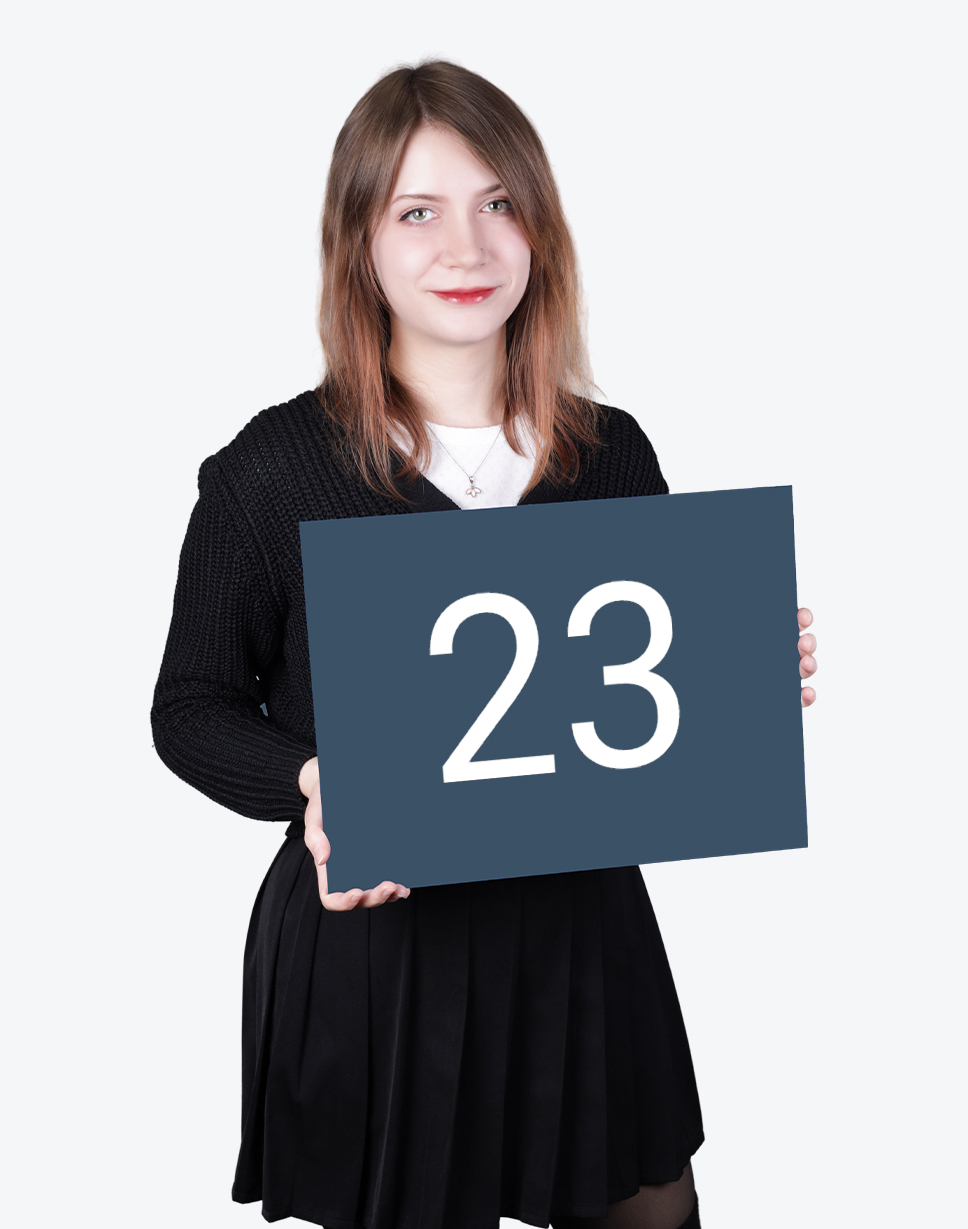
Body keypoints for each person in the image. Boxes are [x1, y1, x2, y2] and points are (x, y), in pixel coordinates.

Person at [151, 59, 818, 1229]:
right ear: (357, 241)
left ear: (538, 229)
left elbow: (631, 705)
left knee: (650, 1207)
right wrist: (313, 776)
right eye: (417, 211)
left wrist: (734, 676)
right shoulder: (271, 469)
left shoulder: (609, 453)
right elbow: (190, 704)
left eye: (497, 202)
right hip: (378, 947)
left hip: (580, 935)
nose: (465, 246)